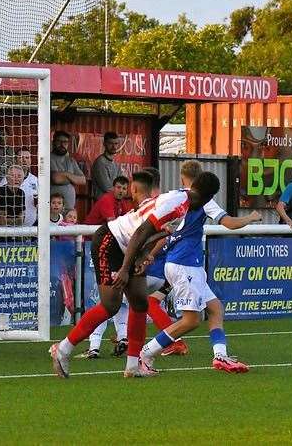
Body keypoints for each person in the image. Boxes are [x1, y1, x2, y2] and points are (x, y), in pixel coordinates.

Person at [50, 170, 217, 379]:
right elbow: (140, 232)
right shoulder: (178, 205)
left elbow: (149, 228)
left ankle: (132, 365)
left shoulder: (182, 202)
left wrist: (144, 254)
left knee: (140, 303)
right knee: (110, 305)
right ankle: (63, 349)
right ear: (208, 198)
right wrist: (125, 268)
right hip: (110, 241)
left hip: (129, 246)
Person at [139, 161, 261, 370]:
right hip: (184, 263)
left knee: (215, 309)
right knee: (191, 320)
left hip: (181, 262)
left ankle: (220, 355)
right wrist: (251, 216)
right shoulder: (204, 199)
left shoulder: (177, 194)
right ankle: (147, 352)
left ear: (182, 177)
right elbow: (229, 223)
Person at [81, 176, 133, 359]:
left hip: (113, 251)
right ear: (113, 188)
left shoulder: (126, 205)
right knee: (112, 300)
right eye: (118, 187)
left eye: (124, 188)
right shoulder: (107, 200)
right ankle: (121, 339)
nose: (121, 191)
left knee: (112, 301)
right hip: (96, 248)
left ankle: (97, 345)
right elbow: (114, 224)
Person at [0, 147, 38, 226]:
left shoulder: (36, 180)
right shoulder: (6, 180)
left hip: (31, 227)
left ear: (30, 161)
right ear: (15, 160)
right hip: (10, 228)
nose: (24, 160)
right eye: (21, 157)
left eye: (27, 158)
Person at [50, 130, 86, 210]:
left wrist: (66, 175)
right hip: (54, 208)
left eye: (65, 142)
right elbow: (56, 179)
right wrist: (73, 178)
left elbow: (83, 180)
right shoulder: (48, 158)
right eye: (59, 141)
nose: (62, 144)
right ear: (54, 142)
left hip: (69, 208)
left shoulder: (71, 160)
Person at [91, 132, 123, 200]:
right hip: (102, 202)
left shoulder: (115, 163)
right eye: (110, 143)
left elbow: (121, 183)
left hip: (113, 202)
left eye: (116, 144)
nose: (114, 146)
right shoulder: (100, 163)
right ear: (104, 144)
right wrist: (120, 190)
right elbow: (107, 188)